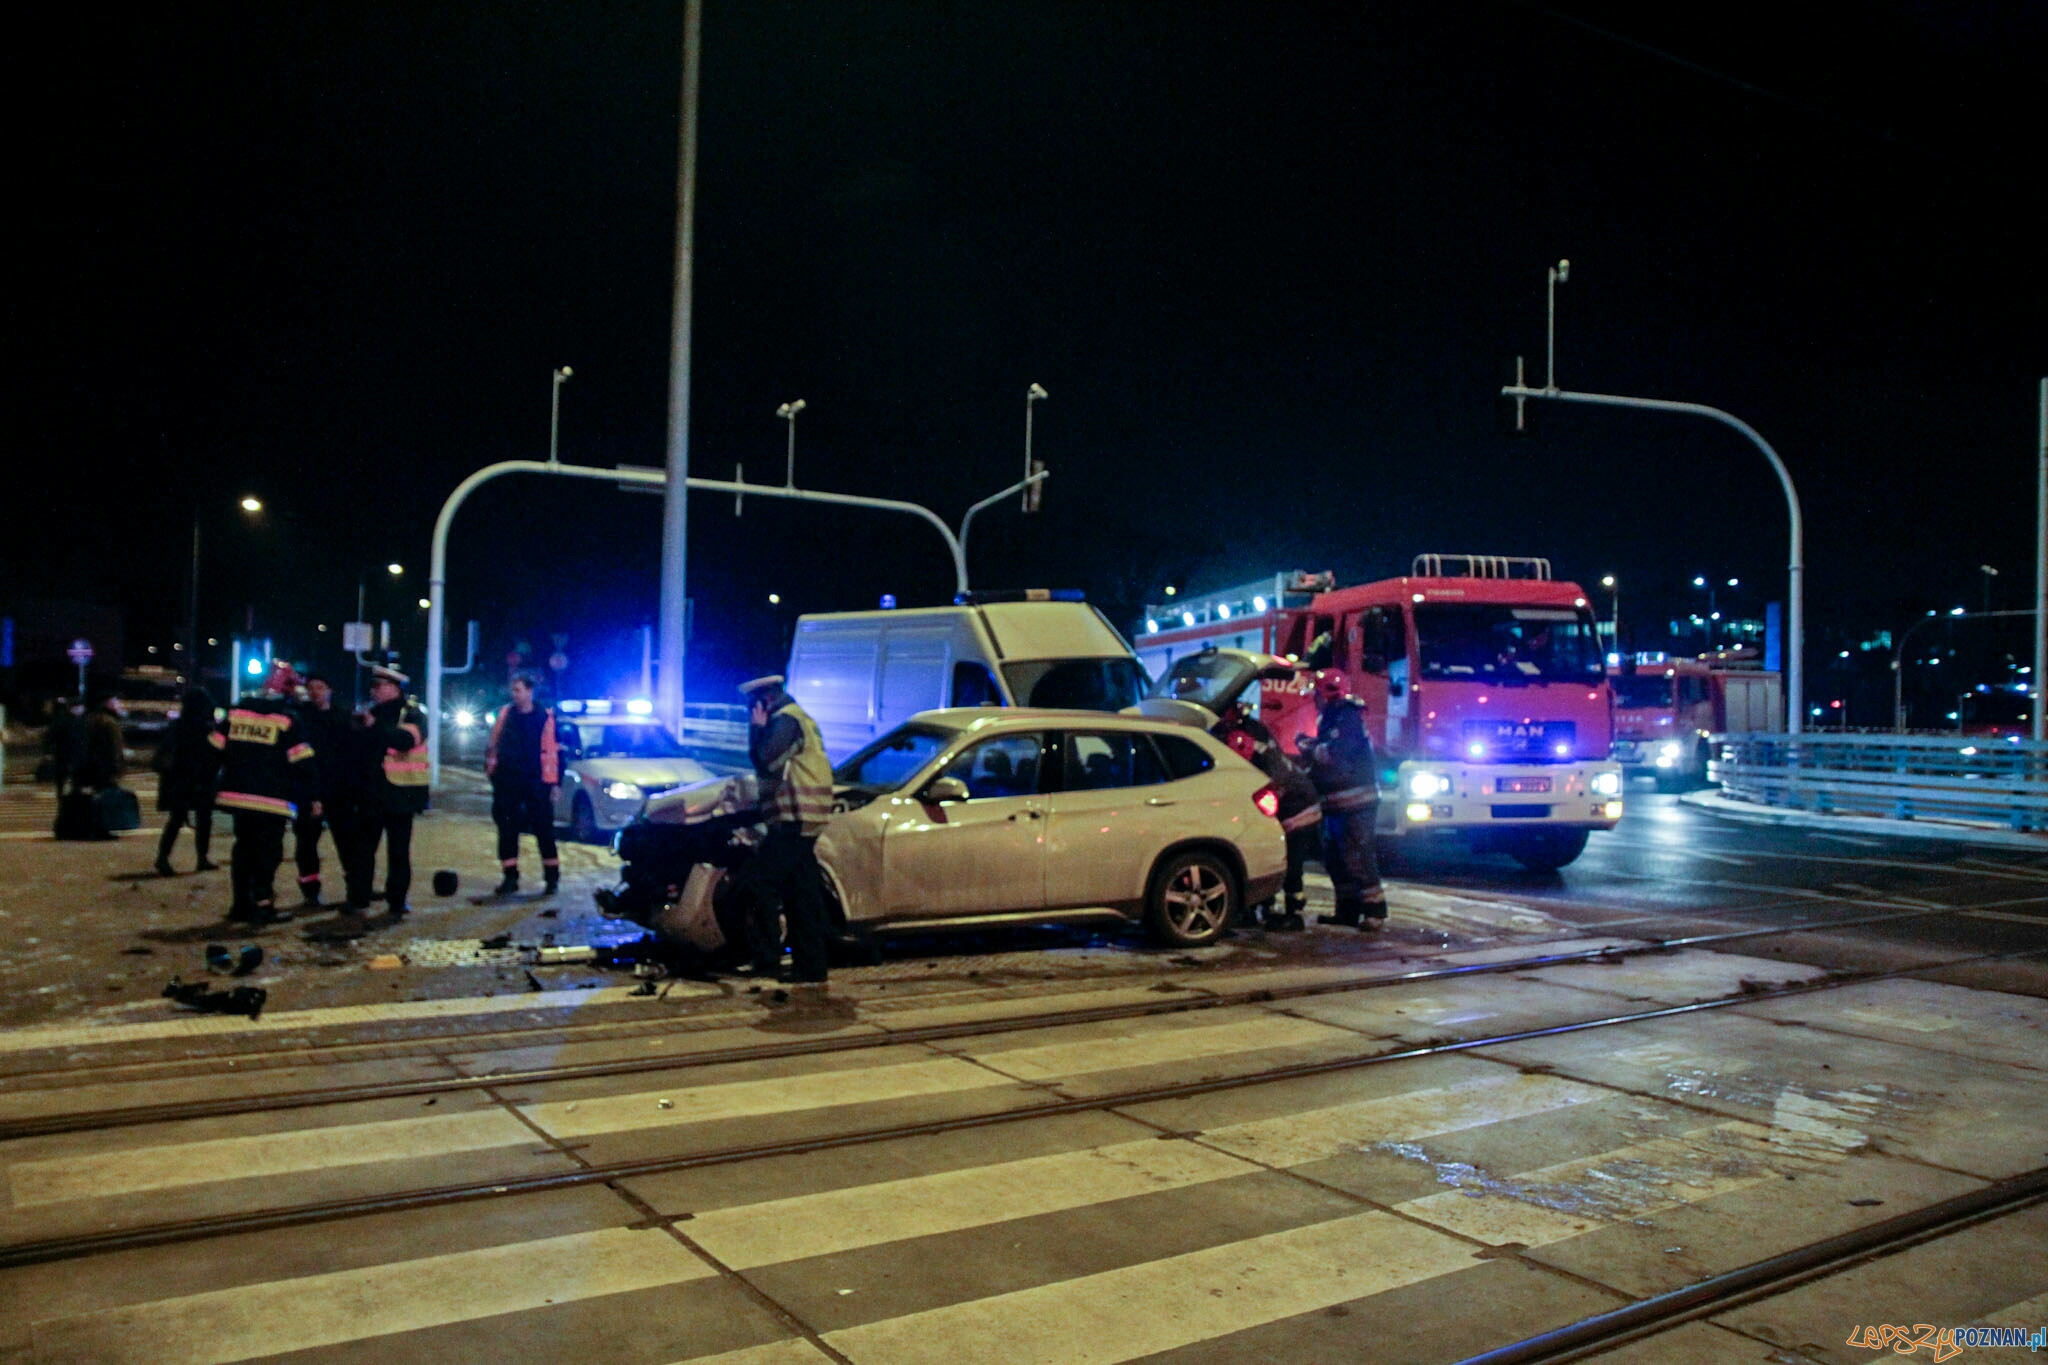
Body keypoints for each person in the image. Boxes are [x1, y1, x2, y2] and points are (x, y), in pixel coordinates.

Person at [733, 674, 833, 988]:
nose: (750, 710)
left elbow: (766, 760)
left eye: (753, 704)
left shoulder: (786, 721)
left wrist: (756, 729)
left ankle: (767, 959)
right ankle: (810, 966)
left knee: (758, 882)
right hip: (801, 819)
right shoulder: (797, 718)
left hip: (795, 818)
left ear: (767, 699)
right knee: (801, 893)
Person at [214, 662, 318, 925]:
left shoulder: (235, 713)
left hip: (237, 796)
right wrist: (311, 797)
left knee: (242, 850)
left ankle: (240, 905)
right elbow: (303, 763)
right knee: (267, 855)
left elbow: (212, 750)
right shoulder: (287, 720)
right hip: (272, 800)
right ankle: (263, 905)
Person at [1215, 700, 1320, 931]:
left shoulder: (1267, 765)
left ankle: (1294, 914)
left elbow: (1269, 793)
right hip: (1290, 807)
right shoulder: (1251, 742)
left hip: (1300, 810)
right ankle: (1262, 908)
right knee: (1267, 858)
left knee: (1290, 863)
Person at [1296, 669, 1387, 929]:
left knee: (1358, 856)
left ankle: (1375, 913)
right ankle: (1347, 912)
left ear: (1327, 692)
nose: (1314, 698)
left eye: (1316, 692)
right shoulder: (1333, 717)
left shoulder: (1346, 716)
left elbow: (1334, 756)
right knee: (1336, 859)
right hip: (1338, 804)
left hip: (1355, 805)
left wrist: (1309, 747)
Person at [340, 665, 429, 917]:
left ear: (394, 688)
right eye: (373, 686)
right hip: (370, 793)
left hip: (401, 794)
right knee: (363, 850)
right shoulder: (371, 713)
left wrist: (374, 726)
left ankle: (397, 901)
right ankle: (358, 898)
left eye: (378, 686)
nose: (373, 691)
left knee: (398, 851)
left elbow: (406, 741)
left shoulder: (412, 714)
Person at [486, 675, 561, 895]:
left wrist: (554, 784)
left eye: (518, 690)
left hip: (536, 782)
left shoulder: (544, 717)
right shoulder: (506, 714)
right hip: (508, 781)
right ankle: (510, 877)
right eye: (513, 690)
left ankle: (551, 878)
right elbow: (493, 745)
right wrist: (494, 774)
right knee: (507, 829)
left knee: (543, 830)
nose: (514, 694)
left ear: (530, 692)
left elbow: (554, 753)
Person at [291, 673, 350, 905]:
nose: (315, 692)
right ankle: (310, 892)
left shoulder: (342, 716)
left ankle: (354, 889)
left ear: (329, 689)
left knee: (346, 842)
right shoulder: (300, 717)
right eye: (311, 687)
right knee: (306, 843)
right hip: (307, 789)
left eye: (320, 686)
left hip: (338, 789)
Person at [154, 686, 222, 875]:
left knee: (176, 819)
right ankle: (202, 858)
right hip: (201, 778)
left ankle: (163, 857)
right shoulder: (205, 728)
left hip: (179, 779)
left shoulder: (177, 726)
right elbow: (212, 755)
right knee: (203, 819)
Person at [74, 691, 127, 792]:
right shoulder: (109, 722)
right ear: (108, 704)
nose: (119, 705)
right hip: (105, 767)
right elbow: (114, 747)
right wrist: (118, 768)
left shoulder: (91, 719)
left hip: (92, 766)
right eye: (115, 702)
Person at [43, 696, 83, 795]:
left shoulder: (77, 720)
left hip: (68, 753)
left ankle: (68, 794)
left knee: (67, 777)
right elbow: (52, 737)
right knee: (65, 776)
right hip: (66, 753)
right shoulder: (66, 720)